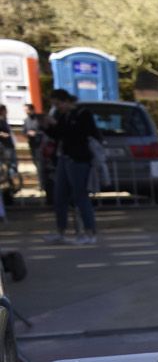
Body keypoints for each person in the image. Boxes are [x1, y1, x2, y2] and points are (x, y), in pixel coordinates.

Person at [41, 89, 100, 246]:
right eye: (55, 105)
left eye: (58, 104)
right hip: (65, 157)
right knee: (60, 195)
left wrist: (58, 125)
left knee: (80, 195)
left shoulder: (82, 114)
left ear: (66, 101)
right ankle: (61, 230)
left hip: (79, 159)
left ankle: (89, 232)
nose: (58, 108)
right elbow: (59, 134)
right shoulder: (64, 115)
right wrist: (47, 126)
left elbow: (79, 134)